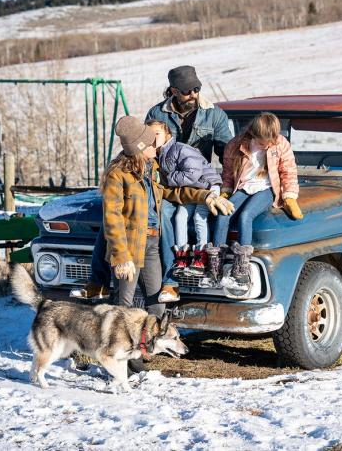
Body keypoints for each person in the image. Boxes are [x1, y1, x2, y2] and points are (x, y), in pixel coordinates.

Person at [75, 66, 233, 299]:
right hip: (160, 179)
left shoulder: (214, 114)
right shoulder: (157, 114)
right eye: (188, 91)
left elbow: (226, 153)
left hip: (192, 181)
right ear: (173, 91)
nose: (194, 95)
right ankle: (98, 282)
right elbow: (143, 146)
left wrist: (225, 186)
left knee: (163, 214)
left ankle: (170, 282)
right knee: (111, 218)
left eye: (197, 89)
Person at [100, 115, 233, 372]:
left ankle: (145, 349)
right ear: (140, 147)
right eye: (151, 143)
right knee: (124, 306)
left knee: (156, 301)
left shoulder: (151, 168)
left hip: (151, 242)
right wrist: (120, 256)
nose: (156, 147)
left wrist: (205, 196)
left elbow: (173, 192)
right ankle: (122, 361)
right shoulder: (118, 176)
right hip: (129, 247)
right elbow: (112, 218)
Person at [213, 112, 303, 287]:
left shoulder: (280, 144)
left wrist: (289, 196)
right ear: (254, 134)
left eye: (271, 140)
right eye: (264, 141)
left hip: (268, 187)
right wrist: (225, 191)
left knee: (246, 215)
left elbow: (288, 171)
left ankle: (242, 268)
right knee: (223, 213)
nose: (268, 144)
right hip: (244, 186)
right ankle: (216, 266)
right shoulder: (236, 145)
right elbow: (228, 172)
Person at [147, 120, 222, 296]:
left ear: (167, 135)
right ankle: (181, 256)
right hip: (190, 191)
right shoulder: (158, 155)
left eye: (157, 133)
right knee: (180, 215)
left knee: (199, 217)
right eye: (150, 135)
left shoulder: (180, 149)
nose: (154, 138)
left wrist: (166, 179)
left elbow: (192, 174)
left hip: (207, 186)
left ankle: (201, 256)